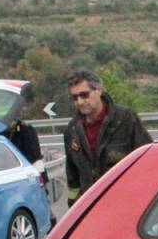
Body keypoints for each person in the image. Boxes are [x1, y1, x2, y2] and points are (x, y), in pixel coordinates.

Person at [63, 69, 152, 203]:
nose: (80, 102)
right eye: (75, 97)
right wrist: (74, 208)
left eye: (84, 95)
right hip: (91, 208)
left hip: (127, 203)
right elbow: (73, 177)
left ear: (98, 90)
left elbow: (147, 160)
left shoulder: (125, 119)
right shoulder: (72, 130)